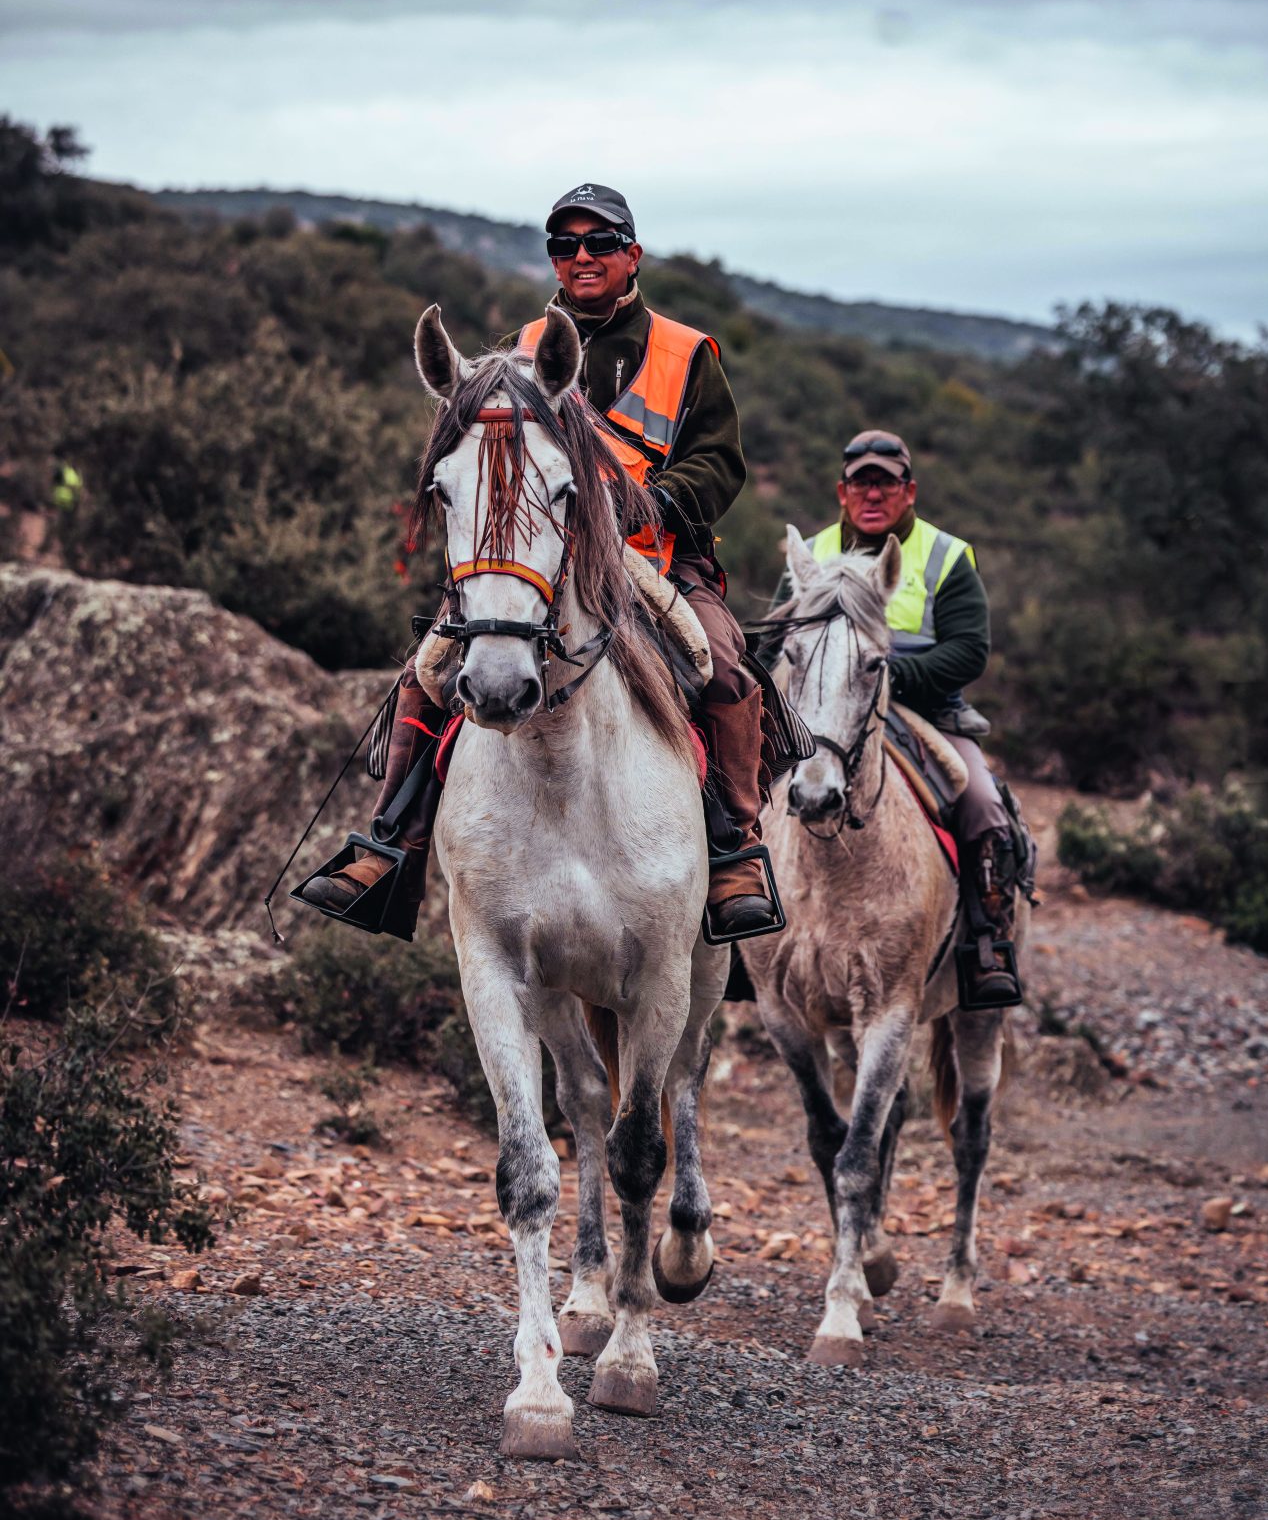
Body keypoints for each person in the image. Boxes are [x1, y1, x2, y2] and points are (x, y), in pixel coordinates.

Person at [299, 182, 778, 943]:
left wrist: (637, 504)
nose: (581, 258)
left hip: (650, 554)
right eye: (565, 245)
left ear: (632, 255)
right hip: (536, 559)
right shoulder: (521, 348)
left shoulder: (688, 352)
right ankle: (390, 844)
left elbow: (720, 464)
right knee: (428, 673)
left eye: (598, 243)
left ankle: (733, 853)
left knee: (722, 666)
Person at [799, 428, 1029, 1008]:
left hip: (927, 712)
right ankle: (745, 921)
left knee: (982, 803)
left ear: (910, 491)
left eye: (886, 484)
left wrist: (884, 676)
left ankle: (986, 938)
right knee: (745, 789)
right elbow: (785, 646)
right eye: (861, 484)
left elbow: (970, 649)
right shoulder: (813, 553)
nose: (872, 495)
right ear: (841, 491)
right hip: (827, 714)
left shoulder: (946, 555)